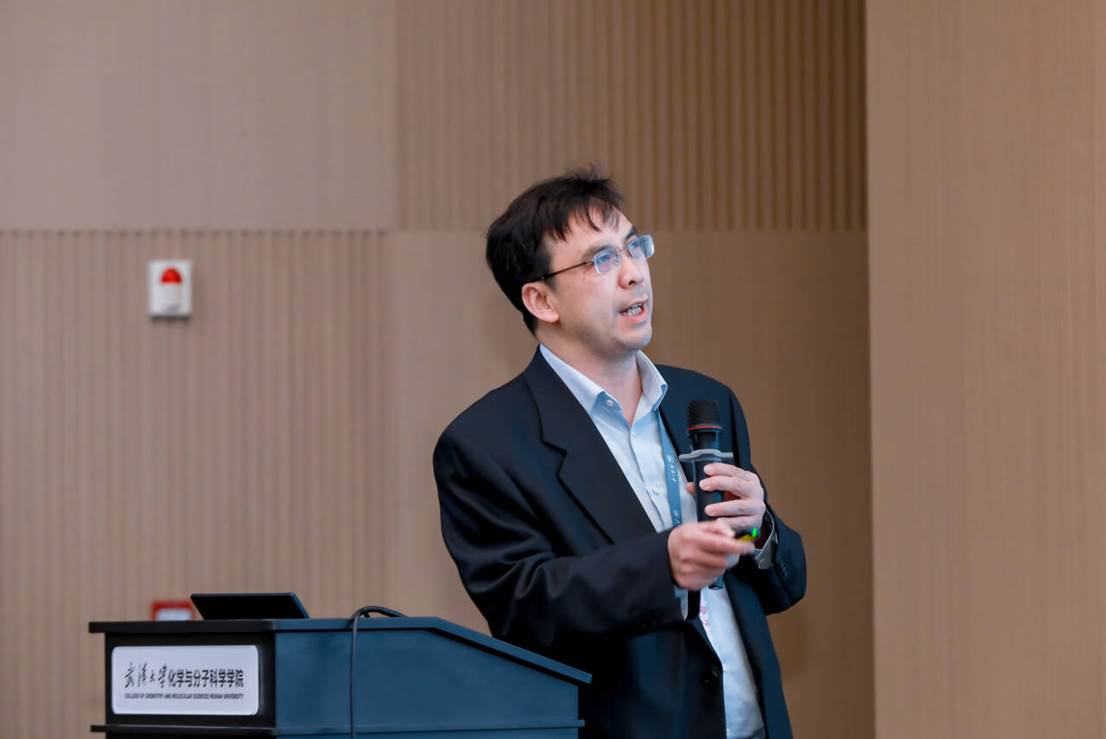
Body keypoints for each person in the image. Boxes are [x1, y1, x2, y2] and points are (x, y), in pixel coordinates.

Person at [433, 170, 806, 739]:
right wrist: (663, 566)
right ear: (541, 299)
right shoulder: (486, 444)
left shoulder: (702, 401)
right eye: (601, 260)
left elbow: (784, 585)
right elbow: (527, 609)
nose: (634, 273)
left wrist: (758, 529)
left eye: (635, 247)